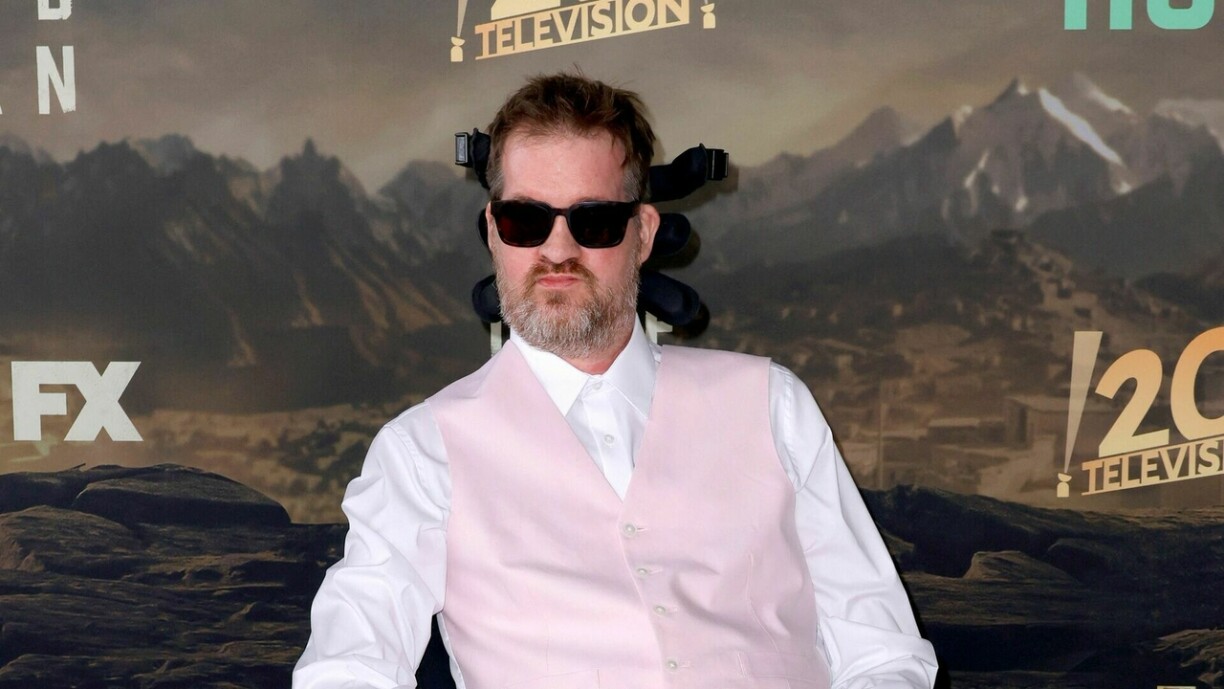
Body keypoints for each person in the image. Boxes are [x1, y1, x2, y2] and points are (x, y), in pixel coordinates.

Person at [294, 72, 938, 689]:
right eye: (525, 221)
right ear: (493, 232)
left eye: (594, 221)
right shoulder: (422, 452)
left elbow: (881, 652)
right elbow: (348, 668)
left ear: (644, 233)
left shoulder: (772, 404)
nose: (557, 250)